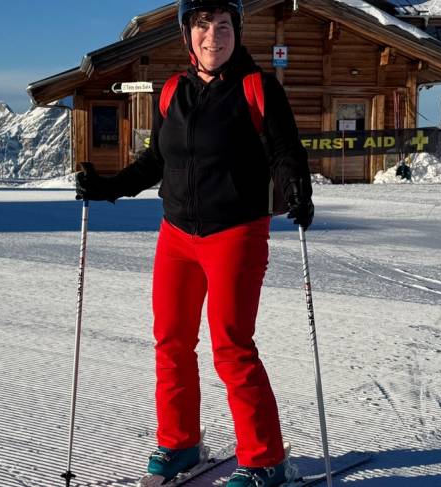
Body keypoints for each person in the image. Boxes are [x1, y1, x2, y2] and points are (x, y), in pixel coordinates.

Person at [75, 0, 313, 485]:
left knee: (232, 347)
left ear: (237, 31)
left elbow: (285, 152)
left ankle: (265, 459)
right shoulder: (172, 92)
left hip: (236, 233)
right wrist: (109, 186)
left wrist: (297, 190)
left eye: (223, 25)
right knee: (171, 341)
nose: (213, 36)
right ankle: (179, 443)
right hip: (177, 235)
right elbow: (155, 162)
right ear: (187, 34)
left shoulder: (257, 88)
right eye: (202, 26)